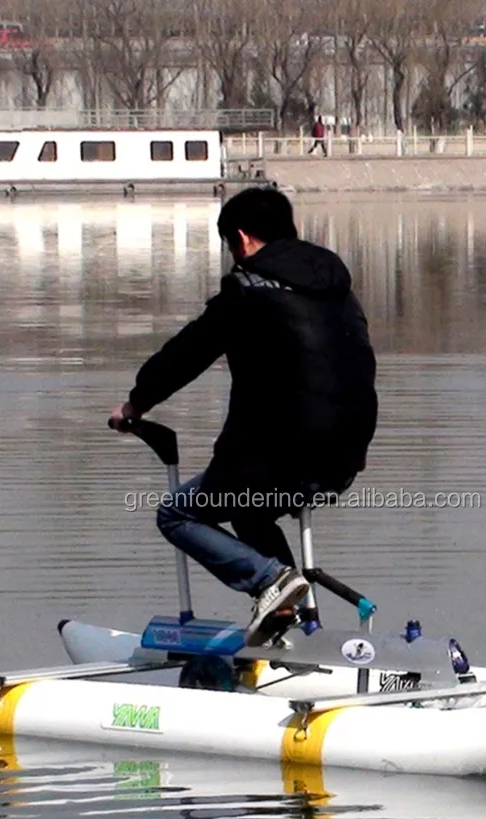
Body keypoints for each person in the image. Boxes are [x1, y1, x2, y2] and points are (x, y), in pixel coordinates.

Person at [109, 187, 377, 642]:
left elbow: (187, 354)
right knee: (249, 512)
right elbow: (357, 366)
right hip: (344, 456)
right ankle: (293, 621)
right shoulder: (340, 292)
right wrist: (355, 444)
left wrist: (134, 406)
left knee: (177, 514)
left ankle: (271, 580)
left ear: (243, 237)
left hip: (278, 455)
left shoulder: (248, 289)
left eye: (230, 246)